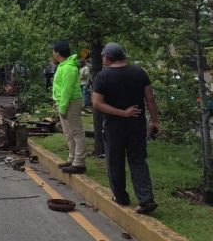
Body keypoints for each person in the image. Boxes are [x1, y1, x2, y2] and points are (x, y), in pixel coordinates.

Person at [91, 42, 159, 214]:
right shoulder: (139, 72)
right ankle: (146, 199)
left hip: (115, 127)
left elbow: (97, 103)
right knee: (138, 161)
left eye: (103, 56)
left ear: (108, 57)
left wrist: (122, 113)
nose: (103, 59)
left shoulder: (103, 76)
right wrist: (155, 121)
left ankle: (120, 197)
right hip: (137, 125)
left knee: (115, 161)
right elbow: (150, 99)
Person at [51, 41, 87, 174]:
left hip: (70, 102)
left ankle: (79, 163)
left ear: (58, 53)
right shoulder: (63, 65)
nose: (52, 53)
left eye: (53, 51)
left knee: (77, 132)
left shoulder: (69, 68)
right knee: (68, 133)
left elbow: (67, 90)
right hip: (64, 102)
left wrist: (63, 108)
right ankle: (72, 158)